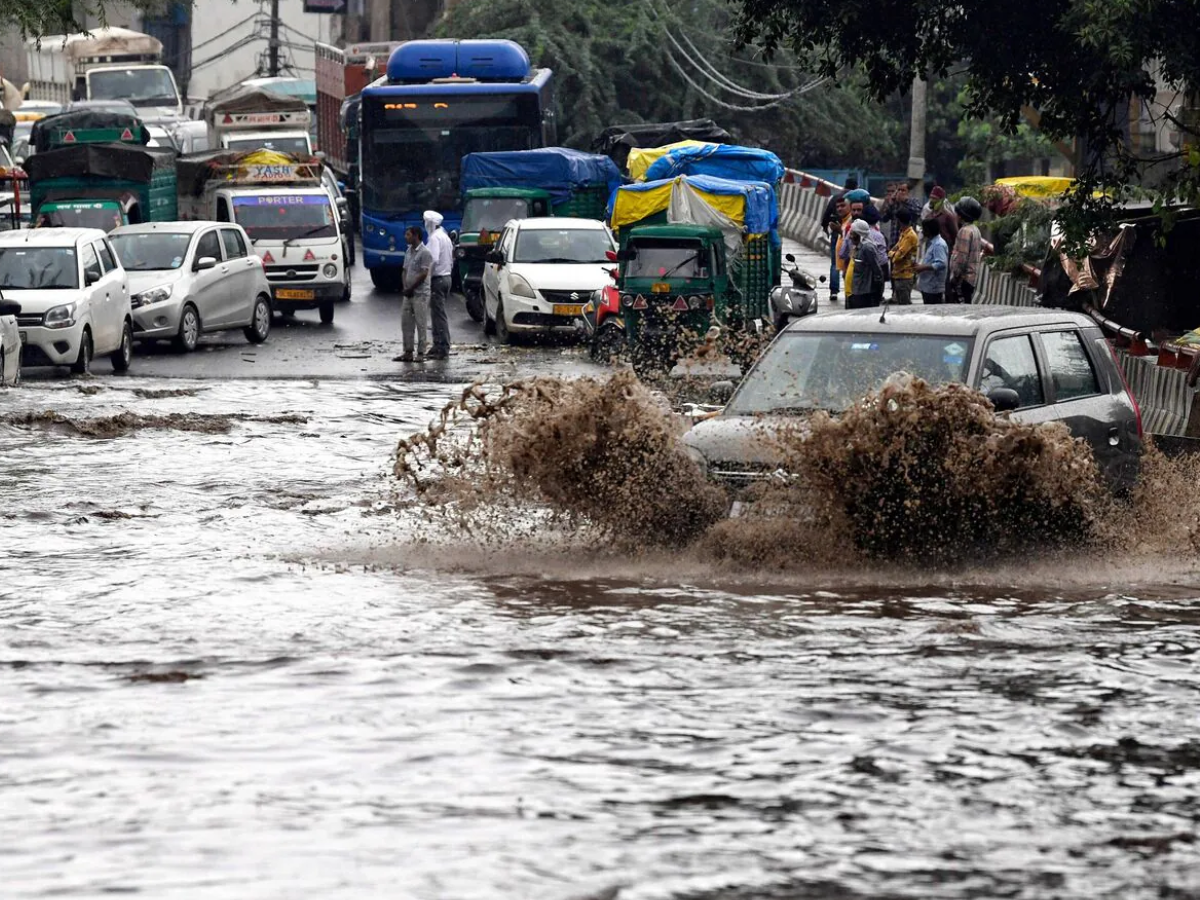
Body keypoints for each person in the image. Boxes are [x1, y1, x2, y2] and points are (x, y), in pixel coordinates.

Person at [395, 226, 432, 362]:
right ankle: (408, 351)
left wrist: (411, 288)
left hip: (420, 294)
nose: (406, 237)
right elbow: (404, 270)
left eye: (408, 234)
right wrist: (405, 287)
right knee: (406, 323)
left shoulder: (425, 253)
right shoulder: (408, 251)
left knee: (421, 324)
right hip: (408, 294)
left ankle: (421, 353)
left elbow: (423, 273)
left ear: (416, 236)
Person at [423, 210, 454, 360]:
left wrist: (426, 278)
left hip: (438, 279)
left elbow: (432, 260)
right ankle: (438, 345)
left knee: (439, 314)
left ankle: (442, 347)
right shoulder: (445, 236)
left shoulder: (435, 238)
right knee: (437, 313)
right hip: (447, 277)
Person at [947, 195, 984, 304]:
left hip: (962, 280)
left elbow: (961, 258)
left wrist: (954, 278)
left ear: (962, 215)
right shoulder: (975, 229)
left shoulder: (964, 231)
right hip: (971, 279)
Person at [847, 219, 883, 309]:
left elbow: (877, 271)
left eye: (852, 234)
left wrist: (877, 293)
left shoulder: (867, 248)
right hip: (855, 292)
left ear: (860, 235)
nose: (850, 237)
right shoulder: (858, 248)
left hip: (864, 294)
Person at [914, 216, 949, 304]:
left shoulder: (938, 244)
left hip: (933, 287)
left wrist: (923, 268)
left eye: (924, 229)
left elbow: (941, 263)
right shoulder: (931, 242)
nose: (922, 231)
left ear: (929, 230)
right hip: (927, 286)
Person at [888, 208, 918, 305]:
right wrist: (892, 253)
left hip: (905, 276)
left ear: (899, 221)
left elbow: (897, 256)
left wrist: (891, 254)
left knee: (904, 306)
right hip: (899, 274)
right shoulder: (903, 234)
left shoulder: (910, 236)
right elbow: (894, 249)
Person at [882, 181, 922, 248]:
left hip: (908, 242)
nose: (900, 192)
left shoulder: (913, 202)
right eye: (898, 190)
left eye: (903, 190)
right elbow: (884, 218)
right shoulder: (894, 203)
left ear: (908, 192)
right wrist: (890, 204)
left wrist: (905, 201)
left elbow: (918, 212)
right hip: (894, 241)